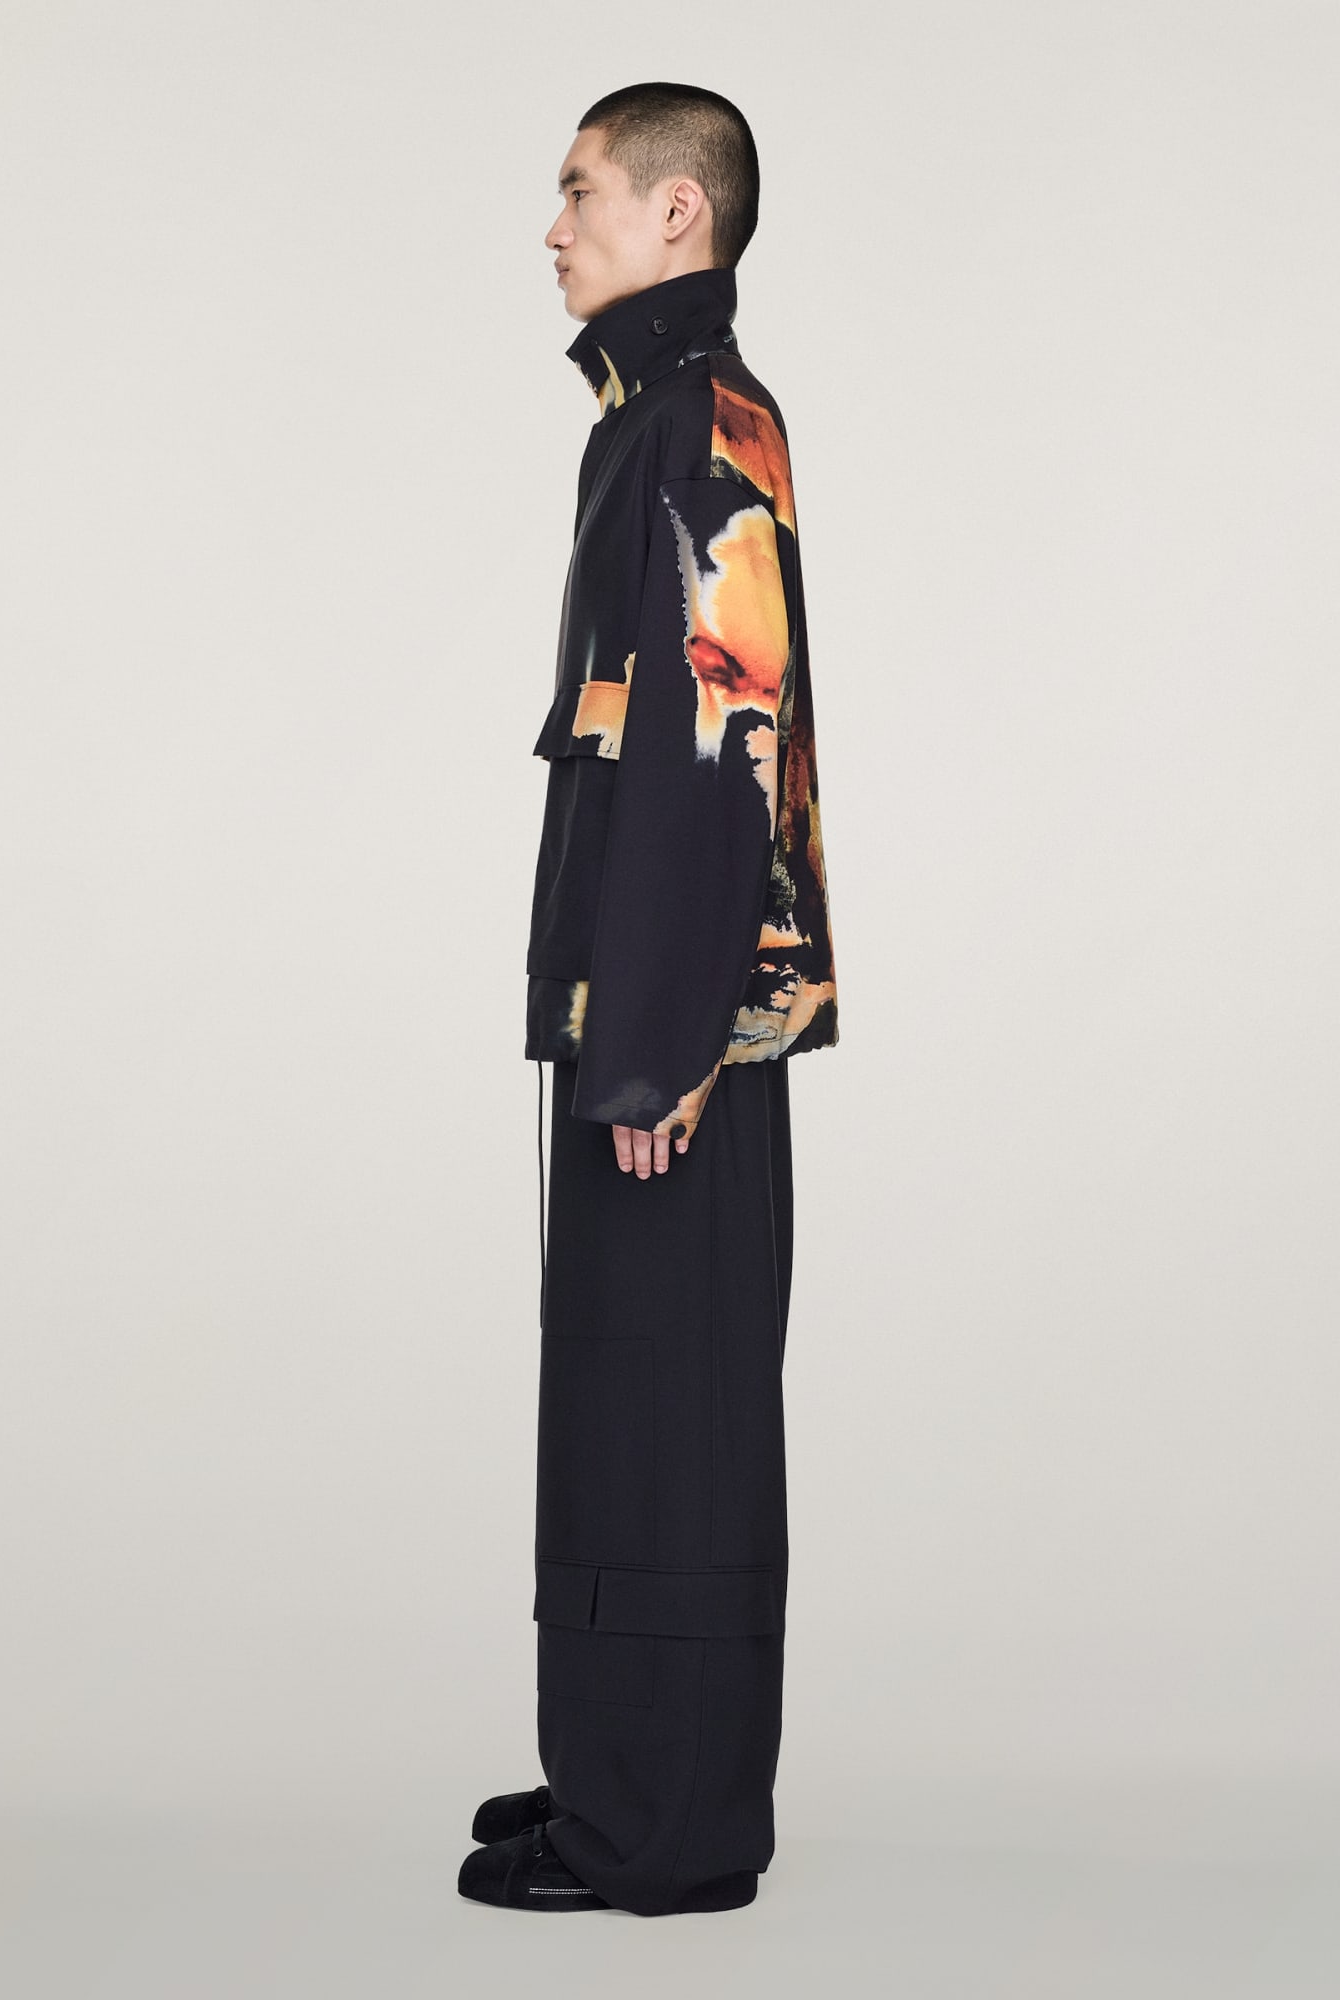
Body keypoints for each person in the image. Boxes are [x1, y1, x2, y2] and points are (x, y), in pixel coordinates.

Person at [457, 81, 838, 1918]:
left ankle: (665, 1833)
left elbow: (717, 748)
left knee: (670, 1409)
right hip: (642, 1014)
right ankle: (620, 1770)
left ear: (679, 212)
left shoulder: (696, 424)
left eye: (582, 189)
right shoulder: (656, 416)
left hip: (671, 1035)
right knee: (620, 1395)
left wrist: (663, 1043)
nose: (555, 227)